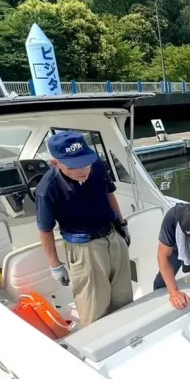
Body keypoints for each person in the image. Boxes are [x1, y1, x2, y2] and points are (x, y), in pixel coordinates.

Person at [36, 131, 133, 326]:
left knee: (124, 298)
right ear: (56, 163)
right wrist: (55, 264)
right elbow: (45, 229)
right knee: (94, 308)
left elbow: (109, 194)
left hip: (113, 236)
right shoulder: (47, 188)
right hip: (84, 248)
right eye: (76, 166)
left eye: (86, 162)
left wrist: (122, 224)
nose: (84, 170)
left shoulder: (95, 167)